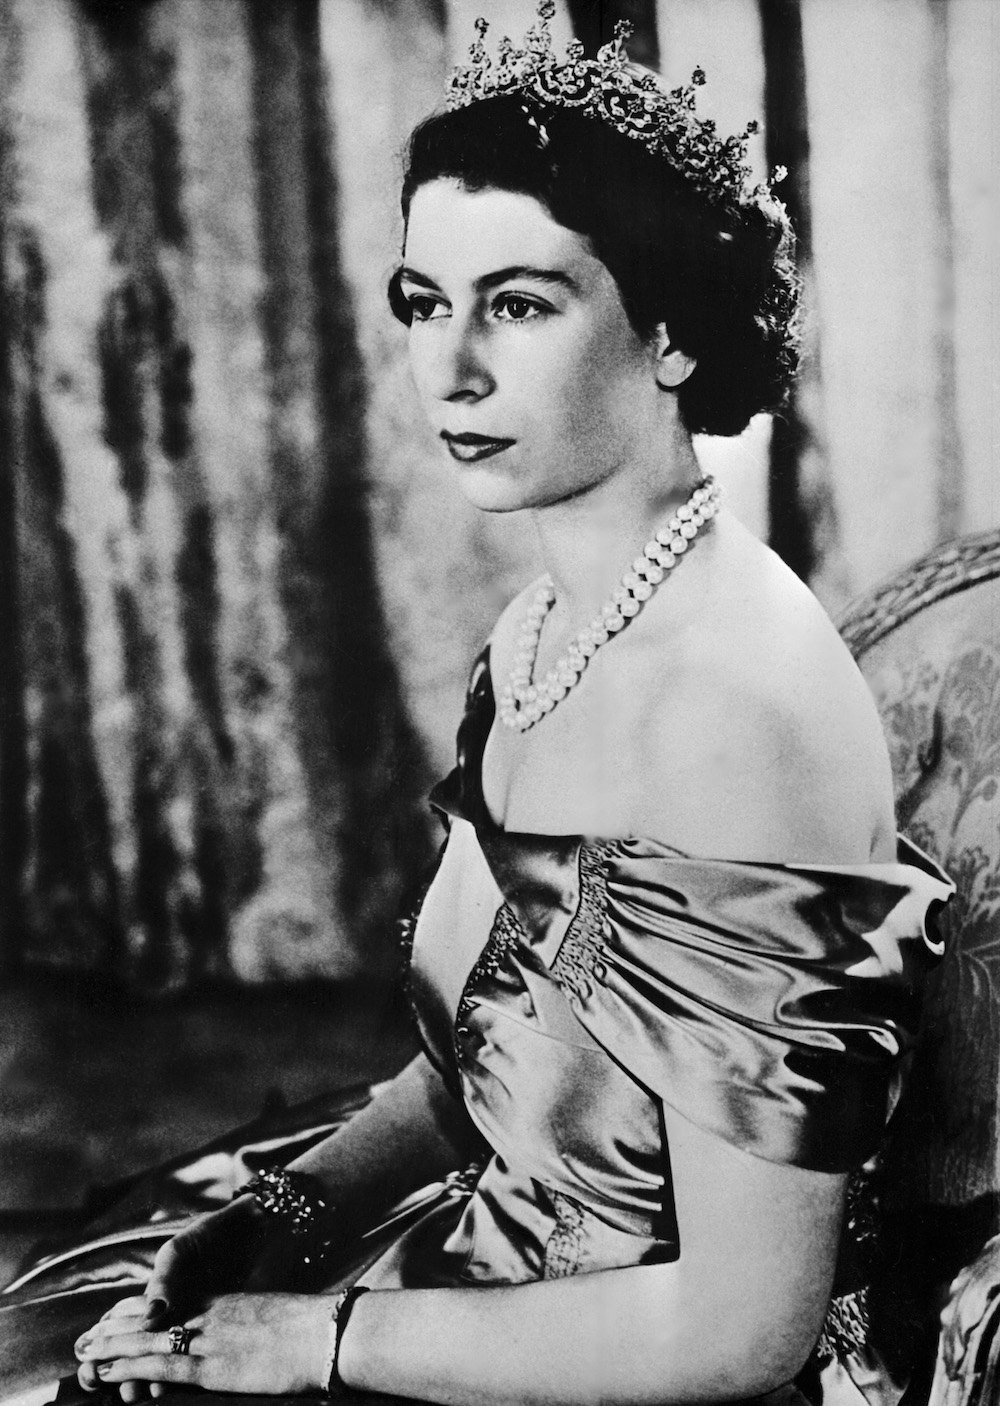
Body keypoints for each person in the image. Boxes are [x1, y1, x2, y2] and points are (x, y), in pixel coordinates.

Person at [69, 5, 953, 1403]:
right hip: (486, 1289)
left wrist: (318, 1341)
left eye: (522, 304)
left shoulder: (736, 709)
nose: (453, 366)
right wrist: (276, 1223)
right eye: (426, 302)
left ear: (671, 334)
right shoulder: (543, 632)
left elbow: (746, 1325)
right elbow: (467, 1073)